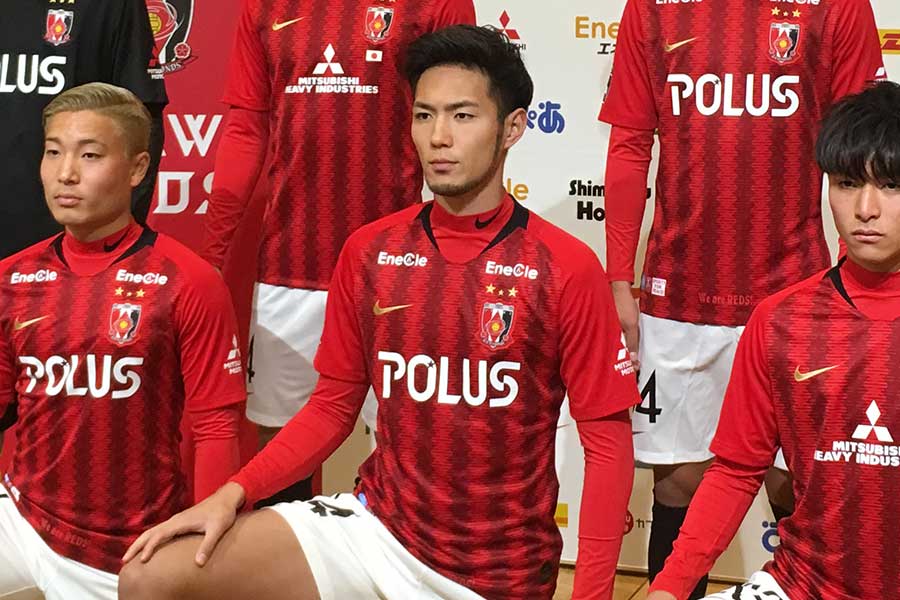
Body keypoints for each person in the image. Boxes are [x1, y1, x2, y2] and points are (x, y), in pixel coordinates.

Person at [117, 25, 639, 600]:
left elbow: (608, 447)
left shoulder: (565, 266)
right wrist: (233, 493)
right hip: (376, 534)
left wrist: (593, 595)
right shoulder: (371, 250)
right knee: (151, 575)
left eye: (463, 116)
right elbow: (330, 409)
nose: (439, 137)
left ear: (512, 128)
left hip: (494, 572)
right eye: (424, 116)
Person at [598, 0, 886, 595]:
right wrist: (618, 278)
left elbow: (864, 146)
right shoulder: (651, 9)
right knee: (678, 486)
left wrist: (849, 296)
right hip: (678, 296)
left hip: (796, 294)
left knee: (801, 485)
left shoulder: (838, 8)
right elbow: (629, 143)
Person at [201, 0, 476, 506]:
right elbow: (245, 131)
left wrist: (462, 254)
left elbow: (462, 125)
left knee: (408, 449)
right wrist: (212, 256)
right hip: (289, 266)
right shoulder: (264, 7)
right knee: (280, 451)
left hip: (399, 272)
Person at [645, 79, 900, 600]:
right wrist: (668, 590)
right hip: (800, 585)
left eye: (892, 185)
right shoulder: (781, 320)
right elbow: (736, 472)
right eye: (847, 183)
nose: (866, 208)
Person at [0, 83, 244, 600]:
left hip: (135, 549)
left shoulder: (189, 281)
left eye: (89, 155)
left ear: (137, 169)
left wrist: (204, 548)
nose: (66, 173)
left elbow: (216, 426)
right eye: (53, 152)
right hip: (21, 523)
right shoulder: (10, 278)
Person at [0, 0, 167, 434]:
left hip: (65, 267)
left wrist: (112, 257)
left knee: (71, 434)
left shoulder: (112, 6)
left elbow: (142, 123)